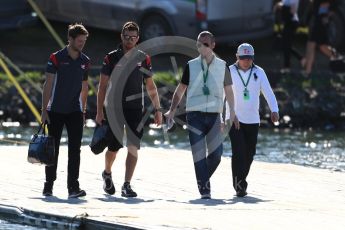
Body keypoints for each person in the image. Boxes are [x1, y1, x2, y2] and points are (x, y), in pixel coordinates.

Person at [165, 31, 239, 199]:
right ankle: (205, 189)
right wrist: (172, 109)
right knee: (198, 154)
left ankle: (202, 177)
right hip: (194, 116)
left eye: (205, 44)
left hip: (214, 116)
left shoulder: (223, 66)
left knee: (217, 155)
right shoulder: (191, 65)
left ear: (213, 45)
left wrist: (233, 112)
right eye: (199, 44)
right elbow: (181, 89)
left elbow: (229, 91)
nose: (202, 47)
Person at [96, 21, 162, 197]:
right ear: (121, 36)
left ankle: (127, 185)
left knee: (133, 146)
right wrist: (99, 112)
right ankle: (107, 173)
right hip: (114, 108)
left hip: (135, 109)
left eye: (133, 37)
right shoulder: (110, 57)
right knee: (114, 146)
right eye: (127, 37)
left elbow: (150, 85)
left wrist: (157, 109)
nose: (130, 40)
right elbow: (102, 87)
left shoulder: (143, 58)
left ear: (138, 38)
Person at [224, 43, 279, 197]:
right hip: (233, 118)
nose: (246, 61)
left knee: (250, 153)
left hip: (253, 119)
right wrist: (221, 117)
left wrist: (275, 110)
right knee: (239, 151)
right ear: (237, 57)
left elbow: (268, 91)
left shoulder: (259, 72)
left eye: (249, 58)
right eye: (243, 58)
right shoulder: (229, 71)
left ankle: (241, 181)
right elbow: (221, 94)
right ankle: (240, 186)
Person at [41, 23, 89, 198]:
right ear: (70, 39)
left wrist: (83, 111)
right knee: (52, 149)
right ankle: (48, 185)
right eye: (79, 41)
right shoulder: (56, 58)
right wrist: (44, 110)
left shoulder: (85, 61)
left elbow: (85, 87)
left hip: (75, 111)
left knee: (75, 150)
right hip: (55, 110)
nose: (82, 44)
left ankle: (73, 188)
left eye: (84, 41)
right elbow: (48, 84)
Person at [301, 0, 336, 75]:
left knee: (310, 45)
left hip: (320, 24)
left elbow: (330, 7)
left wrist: (327, 17)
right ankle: (336, 58)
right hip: (318, 22)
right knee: (322, 46)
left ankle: (307, 72)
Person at [274, 0, 303, 73]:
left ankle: (288, 66)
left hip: (291, 22)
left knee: (286, 45)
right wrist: (279, 5)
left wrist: (281, 6)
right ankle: (301, 59)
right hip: (287, 22)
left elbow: (292, 10)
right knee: (286, 45)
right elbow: (280, 5)